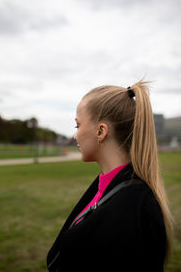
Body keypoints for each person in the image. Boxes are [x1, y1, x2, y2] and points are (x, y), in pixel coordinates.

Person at [47, 79, 173, 272]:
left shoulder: (134, 209)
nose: (75, 136)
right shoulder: (107, 186)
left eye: (77, 126)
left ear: (101, 131)